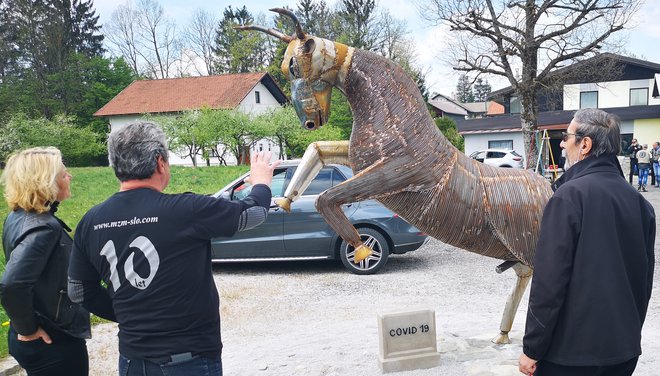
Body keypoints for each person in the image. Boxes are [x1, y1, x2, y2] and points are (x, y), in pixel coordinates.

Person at [67, 121, 279, 376]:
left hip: (132, 359)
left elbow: (78, 290)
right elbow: (254, 213)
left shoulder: (91, 221)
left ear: (115, 165)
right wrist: (261, 181)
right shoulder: (185, 209)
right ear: (160, 162)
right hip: (188, 358)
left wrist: (129, 314)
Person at [519, 109, 655, 376]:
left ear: (585, 144)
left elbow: (549, 283)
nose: (561, 142)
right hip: (623, 352)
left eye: (566, 136)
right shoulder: (640, 204)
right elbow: (644, 281)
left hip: (570, 357)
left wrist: (532, 348)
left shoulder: (568, 198)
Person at [0, 147, 92, 375]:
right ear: (46, 182)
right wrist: (28, 329)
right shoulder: (43, 228)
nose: (69, 177)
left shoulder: (18, 216)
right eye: (63, 174)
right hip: (53, 338)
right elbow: (12, 284)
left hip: (42, 330)